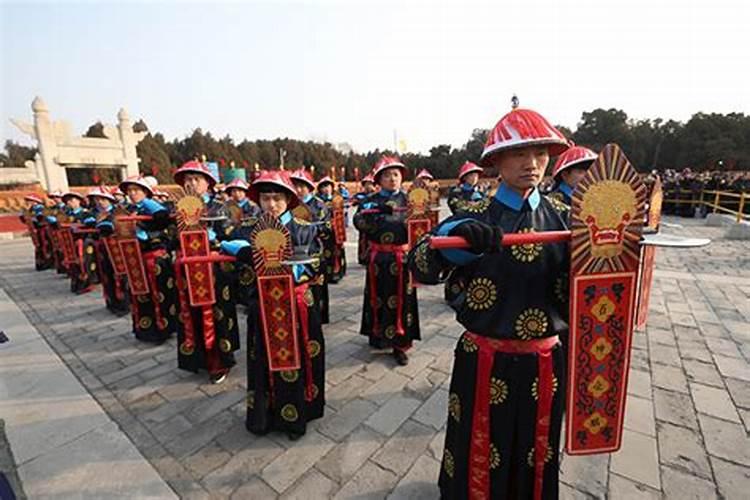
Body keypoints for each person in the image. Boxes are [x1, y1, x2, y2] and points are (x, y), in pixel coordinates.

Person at [409, 107, 570, 500]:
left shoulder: (568, 219)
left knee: (538, 450)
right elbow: (421, 264)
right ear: (496, 160)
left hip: (545, 362)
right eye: (519, 153)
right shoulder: (473, 216)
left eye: (540, 153)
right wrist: (456, 241)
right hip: (484, 360)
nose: (531, 164)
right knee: (477, 449)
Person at [221, 170, 326, 440]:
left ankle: (297, 416)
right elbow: (243, 279)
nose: (272, 204)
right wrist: (244, 259)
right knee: (263, 360)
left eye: (278, 197)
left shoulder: (305, 228)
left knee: (299, 360)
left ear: (289, 199)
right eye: (266, 198)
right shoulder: (249, 230)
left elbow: (316, 266)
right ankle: (265, 415)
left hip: (297, 304)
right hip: (263, 307)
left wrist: (271, 264)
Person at [172, 161, 239, 384]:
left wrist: (213, 239)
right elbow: (171, 236)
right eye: (187, 179)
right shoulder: (179, 209)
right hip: (189, 271)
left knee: (217, 316)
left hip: (213, 271)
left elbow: (230, 236)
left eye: (196, 179)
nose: (191, 183)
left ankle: (219, 362)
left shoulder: (219, 207)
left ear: (208, 183)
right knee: (191, 314)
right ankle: (198, 358)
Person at [353, 155, 421, 366]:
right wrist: (372, 214)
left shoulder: (411, 201)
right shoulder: (369, 201)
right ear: (378, 179)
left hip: (401, 259)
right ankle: (378, 336)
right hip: (378, 259)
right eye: (387, 175)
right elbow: (358, 221)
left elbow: (422, 226)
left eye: (396, 174)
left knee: (402, 302)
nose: (392, 179)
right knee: (377, 298)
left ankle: (400, 344)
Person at [119, 175, 179, 344]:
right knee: (141, 293)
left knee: (159, 293)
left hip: (154, 256)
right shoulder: (127, 208)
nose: (132, 193)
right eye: (130, 190)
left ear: (145, 191)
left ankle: (162, 328)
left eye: (136, 190)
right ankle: (146, 327)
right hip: (135, 256)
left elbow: (162, 217)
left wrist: (142, 222)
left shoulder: (149, 205)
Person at [291, 168, 331, 324]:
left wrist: (309, 229)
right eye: (295, 186)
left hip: (313, 252)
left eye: (302, 186)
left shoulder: (319, 205)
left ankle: (318, 317)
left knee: (316, 288)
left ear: (309, 187)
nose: (299, 190)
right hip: (293, 254)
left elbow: (327, 229)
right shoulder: (288, 205)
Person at [86, 186, 130, 315]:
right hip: (102, 249)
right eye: (97, 200)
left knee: (120, 276)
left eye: (103, 199)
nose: (100, 202)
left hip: (117, 248)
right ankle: (112, 302)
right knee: (106, 274)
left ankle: (124, 304)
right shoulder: (94, 213)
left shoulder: (118, 212)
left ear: (110, 200)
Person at [317, 176, 347, 283]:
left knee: (337, 252)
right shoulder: (318, 201)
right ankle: (327, 274)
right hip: (324, 232)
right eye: (323, 186)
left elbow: (343, 215)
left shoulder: (337, 198)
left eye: (328, 186)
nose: (326, 189)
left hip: (336, 230)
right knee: (325, 252)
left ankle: (337, 273)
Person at [353, 174, 377, 265]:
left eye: (370, 184)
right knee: (363, 240)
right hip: (363, 220)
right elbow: (353, 201)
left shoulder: (377, 196)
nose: (368, 186)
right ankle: (362, 258)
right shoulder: (360, 195)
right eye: (366, 184)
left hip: (374, 221)